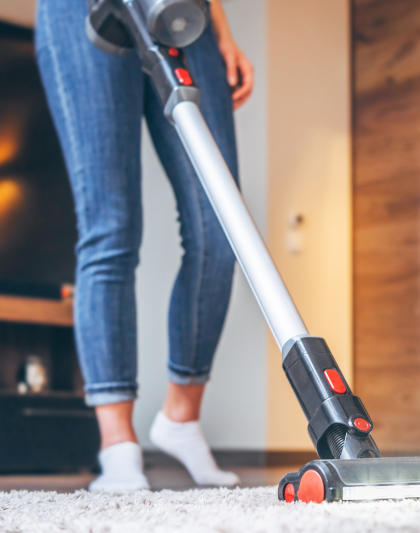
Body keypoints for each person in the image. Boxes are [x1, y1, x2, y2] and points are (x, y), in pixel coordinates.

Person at [35, 0, 254, 492]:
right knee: (110, 228)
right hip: (80, 13)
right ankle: (118, 446)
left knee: (219, 223)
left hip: (181, 10)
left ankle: (181, 417)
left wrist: (220, 29)